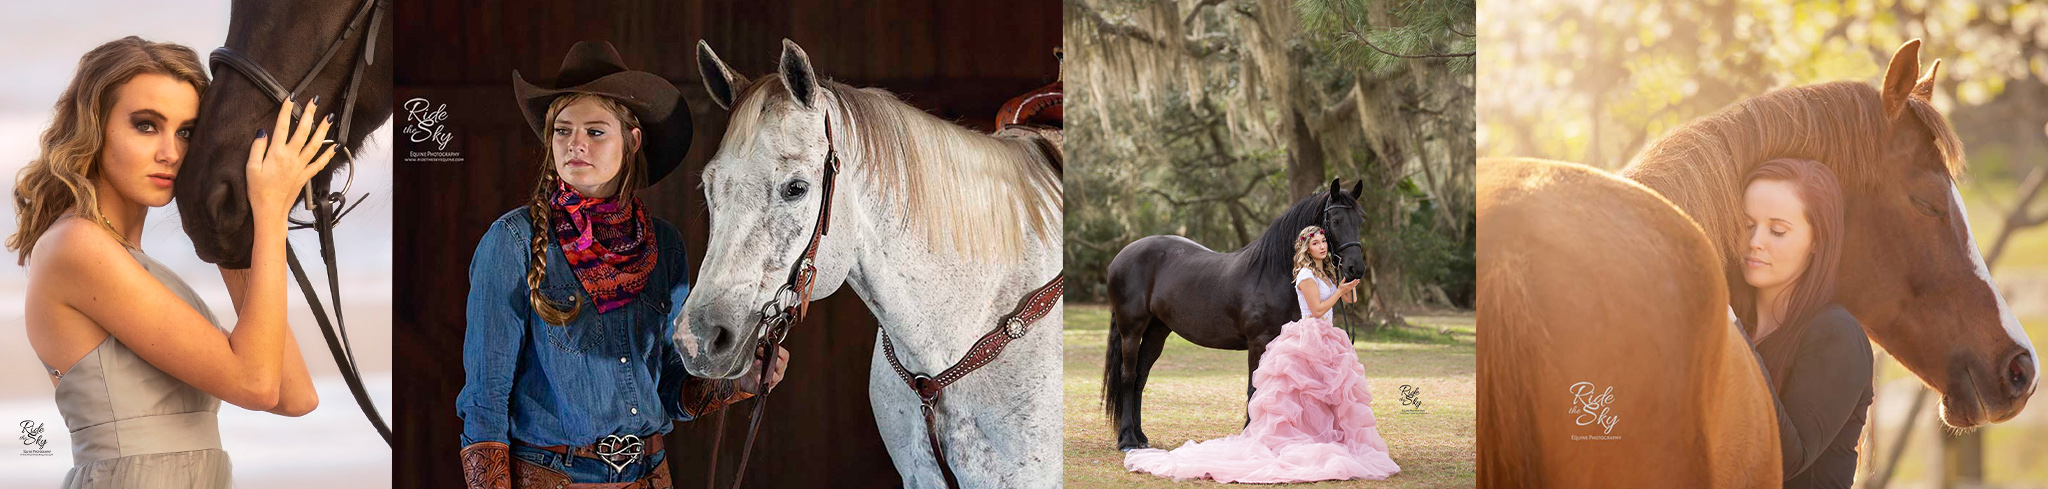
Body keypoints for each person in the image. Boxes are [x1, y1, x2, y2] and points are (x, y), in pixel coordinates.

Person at [455, 41, 786, 489]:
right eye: (562, 131)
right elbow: (484, 401)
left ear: (631, 142)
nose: (575, 145)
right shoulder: (512, 242)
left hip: (650, 476)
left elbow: (668, 389)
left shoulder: (663, 245)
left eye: (595, 132)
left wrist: (737, 381)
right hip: (553, 478)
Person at [12, 36, 331, 488]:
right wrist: (271, 209)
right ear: (95, 127)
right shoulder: (76, 247)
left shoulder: (124, 260)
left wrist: (230, 230)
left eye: (186, 132)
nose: (171, 153)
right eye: (146, 125)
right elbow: (256, 384)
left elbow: (294, 394)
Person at [1124, 225, 1401, 483]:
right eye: (1315, 243)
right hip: (1311, 337)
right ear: (1307, 248)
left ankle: (1316, 440)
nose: (1321, 246)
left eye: (1323, 242)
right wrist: (1339, 290)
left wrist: (1348, 285)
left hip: (1327, 340)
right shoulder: (1304, 275)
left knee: (1317, 395)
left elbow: (1347, 299)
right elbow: (1317, 310)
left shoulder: (1325, 274)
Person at [1735, 158, 1871, 488]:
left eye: (1777, 230)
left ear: (1816, 244)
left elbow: (1784, 460)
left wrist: (1731, 336)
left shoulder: (1837, 335)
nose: (1755, 241)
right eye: (1747, 224)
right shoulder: (1737, 318)